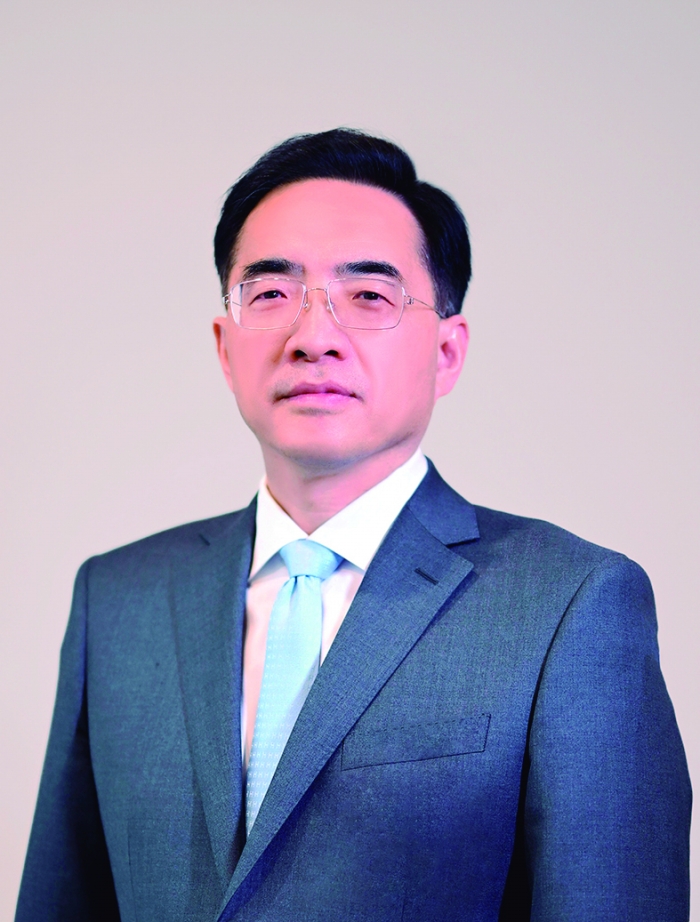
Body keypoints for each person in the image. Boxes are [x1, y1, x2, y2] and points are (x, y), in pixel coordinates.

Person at [16, 129, 691, 921]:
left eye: (369, 296)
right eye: (271, 294)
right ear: (225, 348)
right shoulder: (119, 599)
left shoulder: (568, 605)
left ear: (447, 351)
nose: (313, 338)